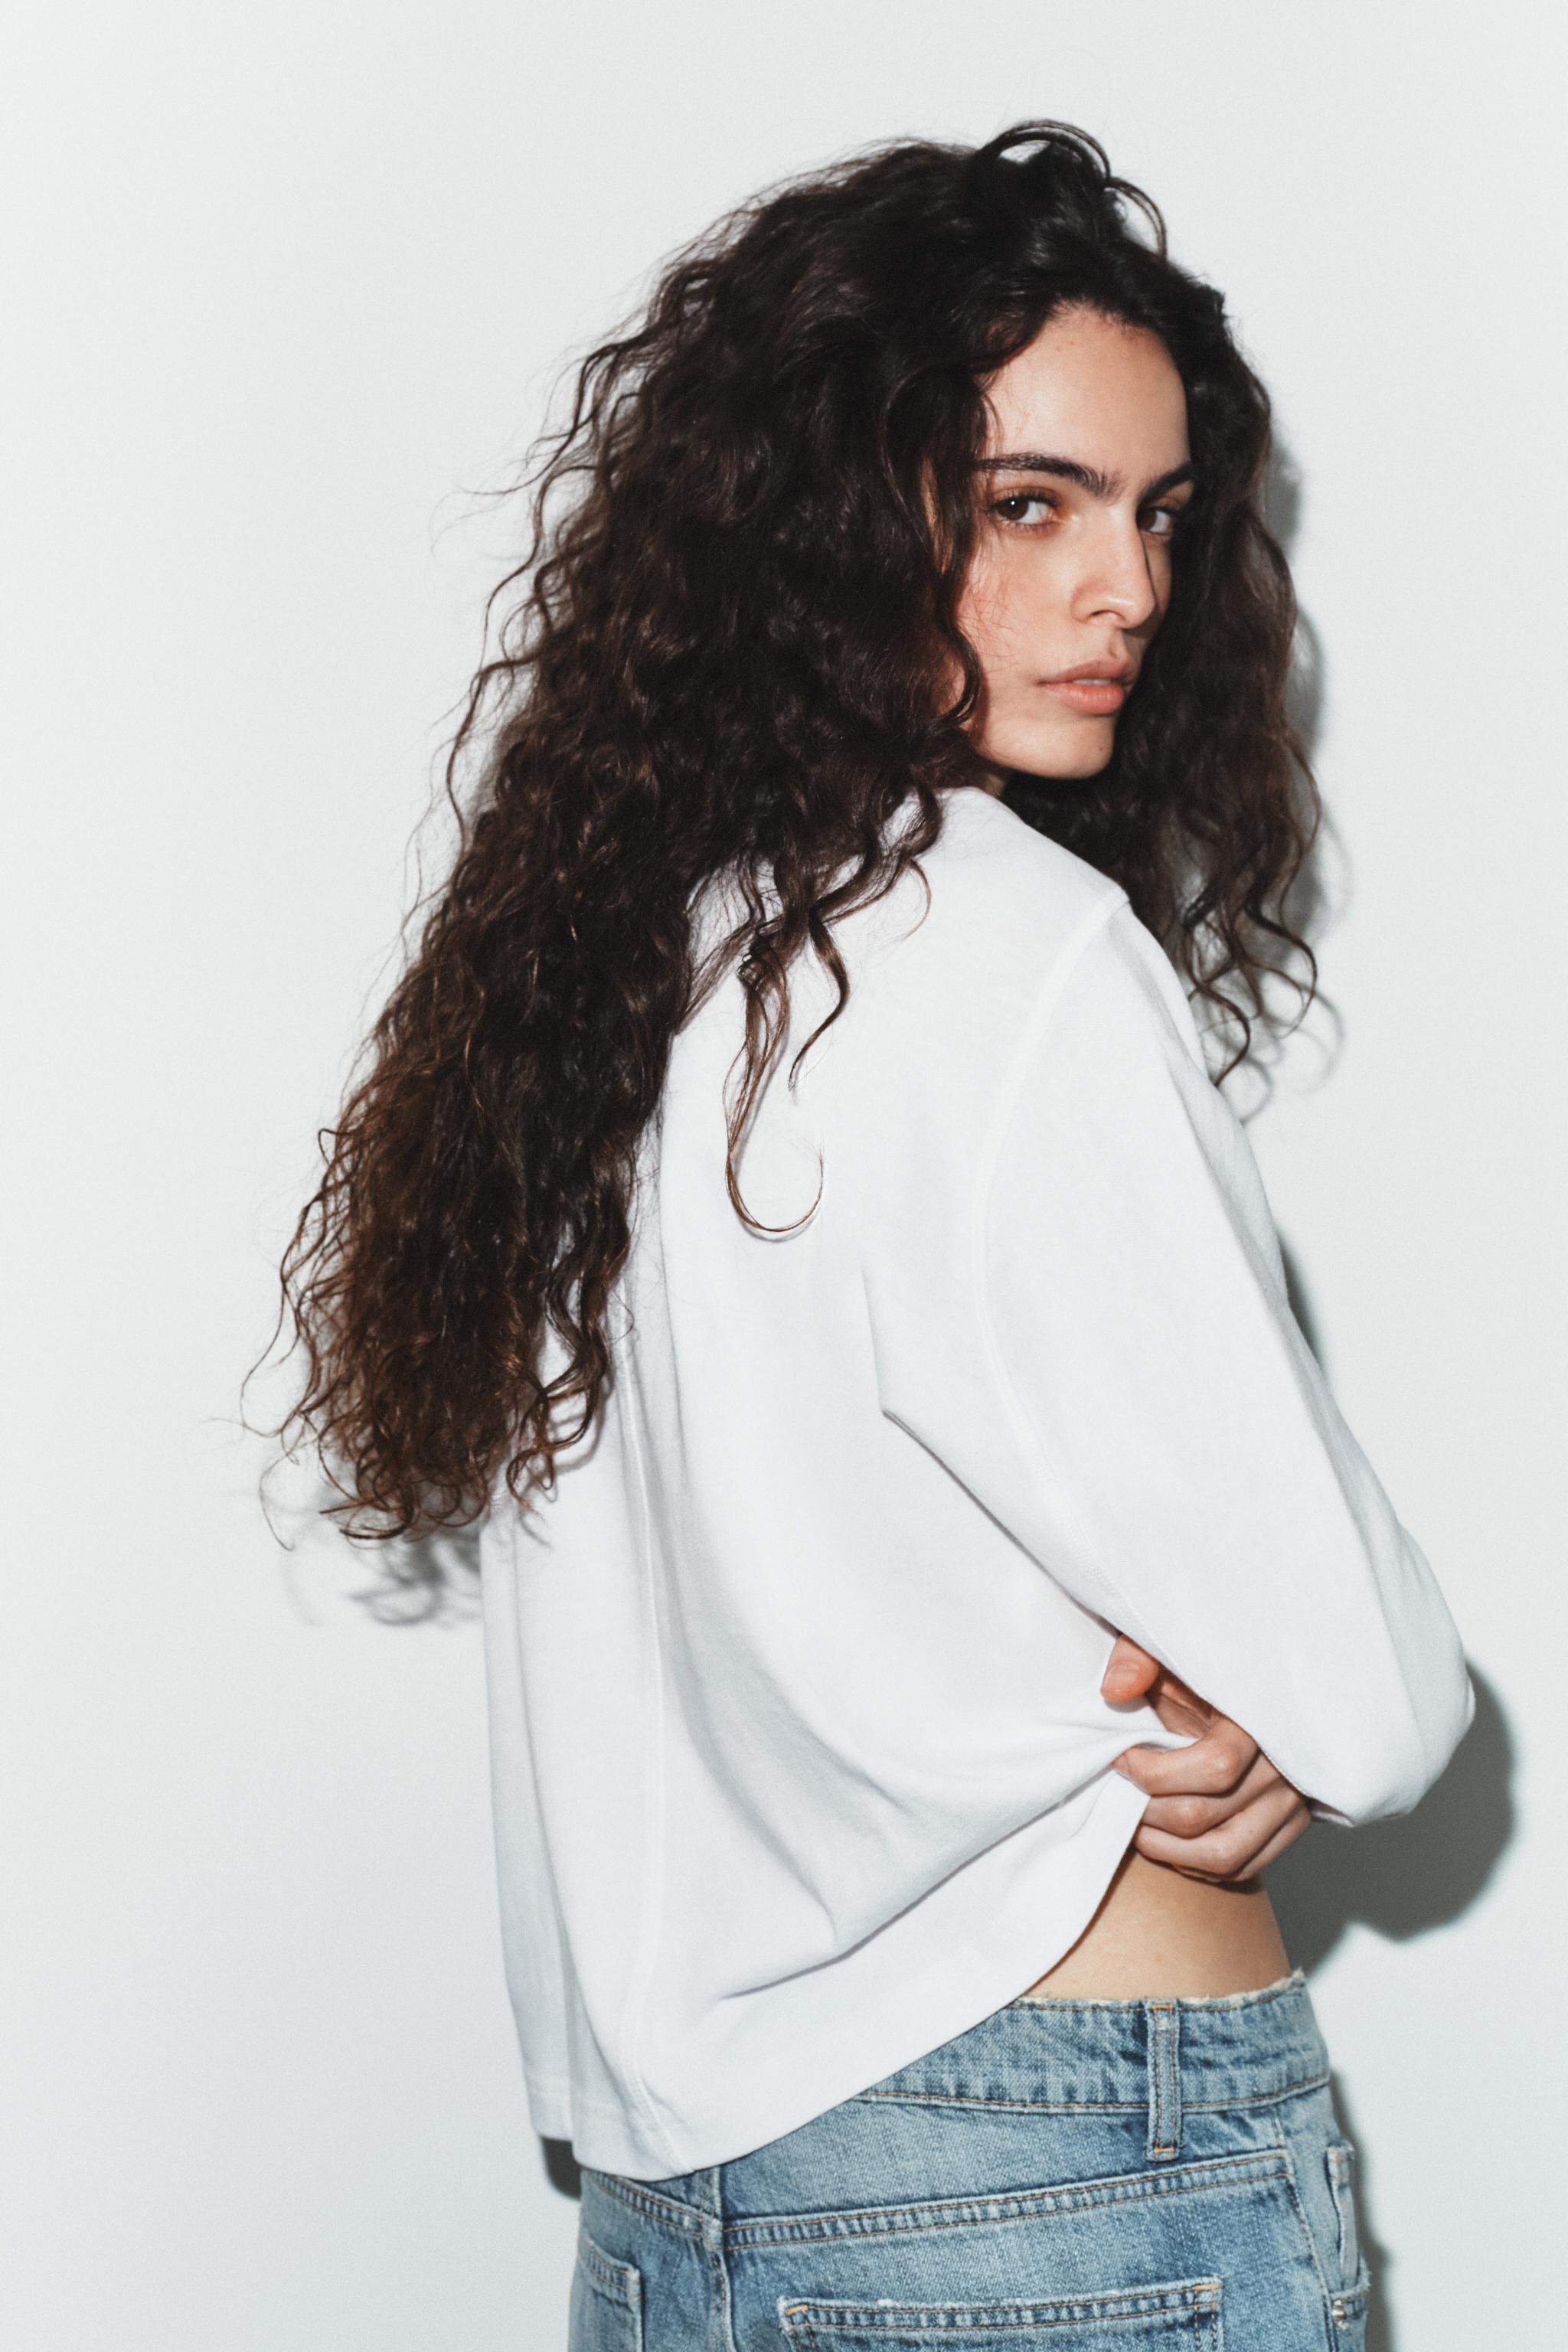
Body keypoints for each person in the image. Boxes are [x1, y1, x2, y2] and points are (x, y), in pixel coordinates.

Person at [280, 122, 1472, 2348]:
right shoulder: (1011, 959)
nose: (1128, 588)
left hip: (695, 2203)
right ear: (829, 512)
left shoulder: (608, 966)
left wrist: (1254, 1676)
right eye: (1030, 504)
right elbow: (1384, 1704)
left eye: (1160, 514)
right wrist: (1288, 1698)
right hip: (1076, 2175)